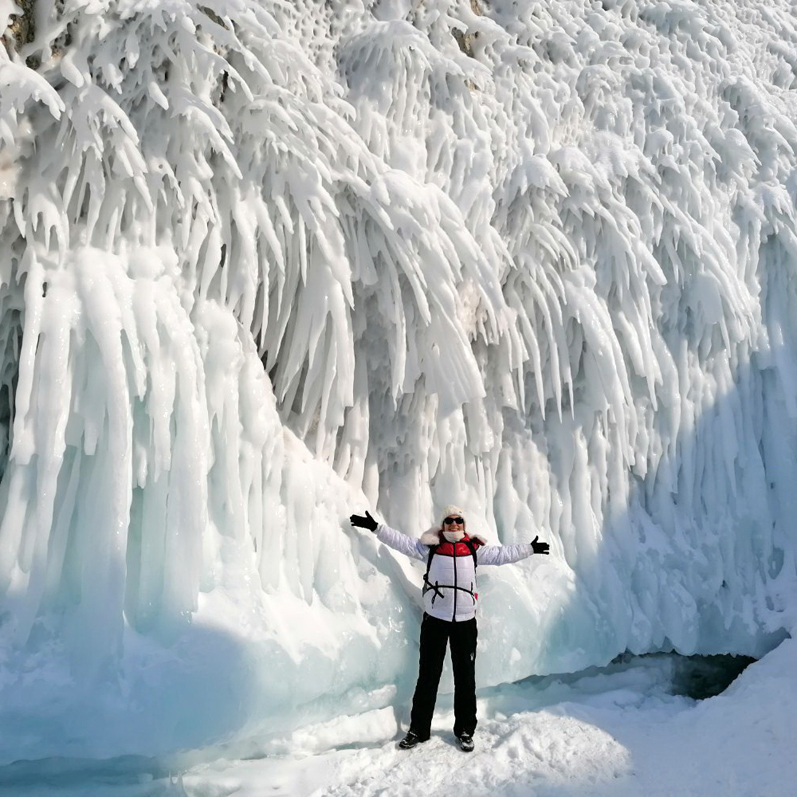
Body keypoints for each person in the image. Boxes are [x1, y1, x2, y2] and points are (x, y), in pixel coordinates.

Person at [349, 505, 550, 753]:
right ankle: (418, 729)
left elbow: (502, 554)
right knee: (427, 678)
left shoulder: (473, 549)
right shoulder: (430, 549)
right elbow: (401, 542)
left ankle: (465, 730)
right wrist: (376, 528)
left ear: (464, 525)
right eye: (449, 520)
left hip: (465, 622)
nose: (453, 524)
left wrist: (530, 548)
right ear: (442, 525)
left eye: (458, 520)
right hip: (435, 620)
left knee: (465, 679)